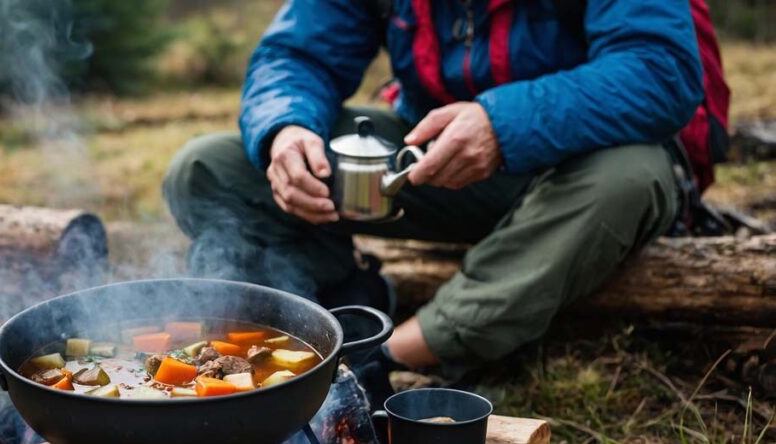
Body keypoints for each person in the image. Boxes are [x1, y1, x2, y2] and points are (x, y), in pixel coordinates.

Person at [163, 0, 703, 396]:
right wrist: (284, 128)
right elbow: (298, 53)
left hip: (580, 167)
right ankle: (340, 293)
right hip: (430, 165)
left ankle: (394, 351)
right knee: (208, 169)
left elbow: (660, 70)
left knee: (628, 178)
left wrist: (501, 123)